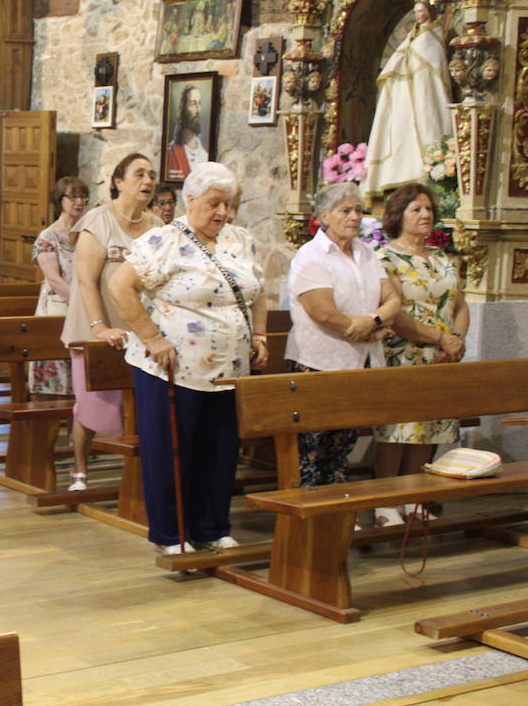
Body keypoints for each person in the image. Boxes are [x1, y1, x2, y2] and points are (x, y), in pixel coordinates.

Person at [109, 164, 266, 554]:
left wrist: (259, 335)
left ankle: (213, 526)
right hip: (171, 369)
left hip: (228, 370)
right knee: (171, 451)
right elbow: (120, 286)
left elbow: (260, 292)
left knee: (220, 448)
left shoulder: (241, 240)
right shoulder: (162, 240)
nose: (223, 213)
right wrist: (151, 337)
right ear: (190, 200)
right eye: (214, 203)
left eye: (228, 205)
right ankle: (172, 534)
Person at [285, 183, 402, 487]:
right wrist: (361, 328)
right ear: (324, 215)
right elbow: (321, 311)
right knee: (312, 448)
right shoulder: (310, 256)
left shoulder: (366, 254)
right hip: (317, 363)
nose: (354, 217)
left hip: (357, 362)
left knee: (342, 445)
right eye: (345, 210)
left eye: (358, 210)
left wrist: (371, 321)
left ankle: (338, 515)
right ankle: (309, 519)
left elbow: (393, 300)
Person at [371, 183, 469, 527]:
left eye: (428, 209)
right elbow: (394, 314)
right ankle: (385, 502)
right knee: (398, 430)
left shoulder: (442, 258)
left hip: (442, 357)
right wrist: (439, 337)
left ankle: (413, 496)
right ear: (399, 216)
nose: (425, 214)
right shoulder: (386, 259)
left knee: (428, 430)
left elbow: (459, 304)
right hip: (404, 353)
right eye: (416, 209)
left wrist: (455, 339)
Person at [61, 154, 161, 490]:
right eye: (139, 174)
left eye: (151, 175)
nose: (147, 181)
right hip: (93, 326)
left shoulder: (158, 228)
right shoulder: (98, 221)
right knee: (92, 403)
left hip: (138, 330)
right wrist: (99, 327)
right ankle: (79, 471)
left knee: (139, 404)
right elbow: (87, 280)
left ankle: (137, 476)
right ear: (118, 182)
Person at [362, 0, 454, 197]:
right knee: (402, 135)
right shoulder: (412, 37)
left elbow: (435, 66)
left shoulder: (432, 38)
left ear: (429, 12)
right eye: (415, 11)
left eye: (421, 10)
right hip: (406, 93)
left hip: (425, 92)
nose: (417, 15)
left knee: (426, 128)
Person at [29, 176, 88, 397]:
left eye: (82, 196)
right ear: (60, 200)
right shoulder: (48, 236)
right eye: (72, 197)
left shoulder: (87, 234)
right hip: (58, 306)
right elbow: (54, 279)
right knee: (55, 377)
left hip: (82, 308)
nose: (79, 202)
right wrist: (81, 304)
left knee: (81, 379)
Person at [164, 86, 207, 182]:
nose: (198, 110)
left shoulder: (205, 155)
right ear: (183, 108)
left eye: (199, 103)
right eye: (193, 104)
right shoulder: (171, 152)